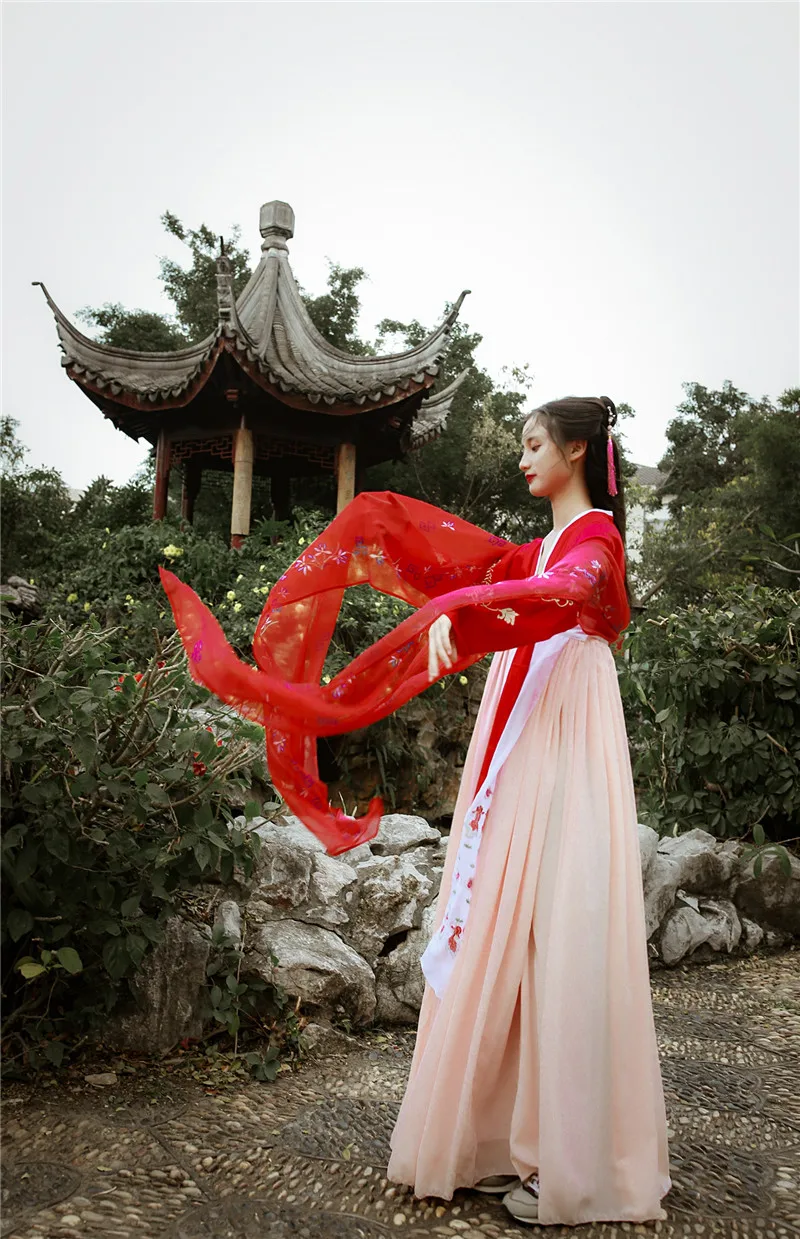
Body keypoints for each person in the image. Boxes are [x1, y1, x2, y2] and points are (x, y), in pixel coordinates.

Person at [159, 394, 671, 1227]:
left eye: (534, 443)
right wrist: (389, 550)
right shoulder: (533, 547)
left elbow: (568, 591)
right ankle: (498, 1140)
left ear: (577, 451)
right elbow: (473, 574)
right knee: (508, 922)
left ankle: (578, 1160)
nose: (522, 457)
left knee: (559, 925)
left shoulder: (595, 542)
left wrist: (461, 610)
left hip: (564, 731)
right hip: (525, 728)